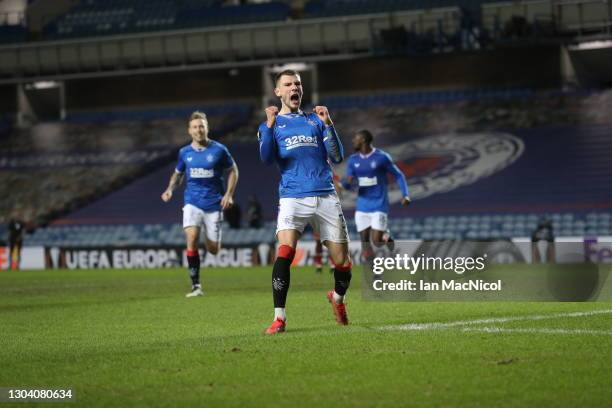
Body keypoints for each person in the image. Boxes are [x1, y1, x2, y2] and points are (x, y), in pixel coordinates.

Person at [258, 69, 351, 334]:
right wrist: (268, 126)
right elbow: (266, 159)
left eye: (297, 84)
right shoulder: (273, 125)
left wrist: (329, 123)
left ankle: (338, 298)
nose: (294, 88)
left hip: (325, 195)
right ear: (278, 92)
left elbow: (337, 155)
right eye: (287, 84)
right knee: (285, 251)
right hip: (292, 197)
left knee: (342, 263)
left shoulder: (315, 120)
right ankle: (279, 318)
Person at [162, 111, 239, 297]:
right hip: (192, 202)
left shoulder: (219, 150)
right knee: (191, 238)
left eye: (202, 126)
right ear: (190, 130)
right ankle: (196, 286)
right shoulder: (184, 152)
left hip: (214, 204)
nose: (199, 130)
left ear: (207, 128)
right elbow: (178, 174)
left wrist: (228, 194)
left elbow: (234, 171)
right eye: (195, 127)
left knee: (213, 250)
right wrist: (170, 188)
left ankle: (208, 235)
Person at [341, 129, 410, 262]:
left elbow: (399, 175)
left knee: (376, 241)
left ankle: (385, 236)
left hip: (379, 205)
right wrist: (344, 185)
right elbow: (349, 183)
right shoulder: (353, 160)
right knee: (364, 242)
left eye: (356, 138)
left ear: (363, 140)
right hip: (362, 206)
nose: (353, 141)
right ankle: (375, 273)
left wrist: (405, 195)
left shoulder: (381, 157)